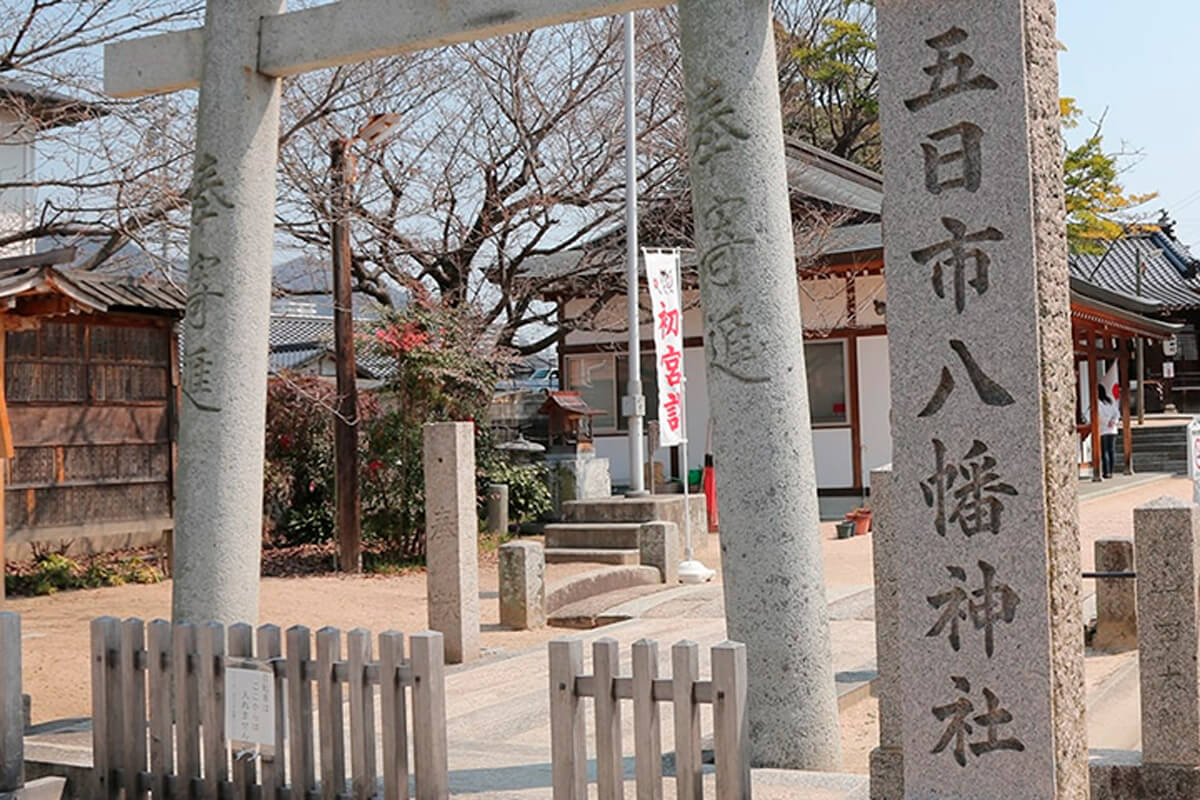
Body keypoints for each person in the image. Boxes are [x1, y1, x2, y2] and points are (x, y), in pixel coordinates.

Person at [1096, 386, 1121, 479]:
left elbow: (1099, 415)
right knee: (1111, 451)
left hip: (1103, 429)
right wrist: (1113, 421)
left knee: (1105, 451)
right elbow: (1117, 413)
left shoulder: (1097, 403)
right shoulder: (1110, 401)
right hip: (1112, 429)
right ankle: (1111, 470)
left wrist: (1106, 422)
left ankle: (1106, 472)